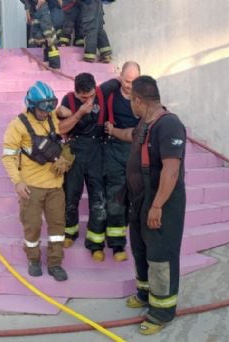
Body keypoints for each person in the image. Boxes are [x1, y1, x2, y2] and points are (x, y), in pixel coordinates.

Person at [104, 76, 187, 335]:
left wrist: (158, 206)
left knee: (161, 255)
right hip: (140, 201)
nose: (130, 105)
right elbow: (131, 135)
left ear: (138, 100)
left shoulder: (170, 125)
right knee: (140, 248)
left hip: (161, 203)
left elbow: (171, 170)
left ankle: (162, 311)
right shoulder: (145, 124)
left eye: (131, 101)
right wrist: (113, 131)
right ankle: (144, 292)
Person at [1, 81, 72, 282]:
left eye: (49, 108)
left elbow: (62, 138)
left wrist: (65, 160)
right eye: (42, 109)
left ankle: (55, 263)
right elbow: (8, 156)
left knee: (57, 228)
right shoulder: (17, 125)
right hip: (31, 188)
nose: (46, 113)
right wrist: (17, 182)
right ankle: (33, 260)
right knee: (32, 226)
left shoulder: (51, 117)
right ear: (32, 106)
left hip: (56, 186)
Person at [57, 73, 108, 262]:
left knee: (99, 199)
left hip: (98, 151)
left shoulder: (104, 93)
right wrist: (79, 113)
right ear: (76, 92)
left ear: (95, 88)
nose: (87, 100)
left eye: (90, 96)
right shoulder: (68, 100)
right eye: (83, 97)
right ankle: (70, 233)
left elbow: (123, 80)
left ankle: (95, 243)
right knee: (70, 195)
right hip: (75, 151)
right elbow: (61, 129)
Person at [99, 61, 141, 262]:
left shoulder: (142, 99)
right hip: (113, 150)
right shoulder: (111, 94)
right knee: (115, 195)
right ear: (120, 76)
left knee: (132, 196)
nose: (129, 85)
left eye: (134, 81)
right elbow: (99, 91)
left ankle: (121, 230)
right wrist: (113, 82)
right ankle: (117, 245)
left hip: (135, 152)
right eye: (126, 80)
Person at [21, 0, 61, 69]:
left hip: (42, 9)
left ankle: (55, 65)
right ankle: (50, 63)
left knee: (49, 36)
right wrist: (27, 9)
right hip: (35, 9)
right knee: (41, 37)